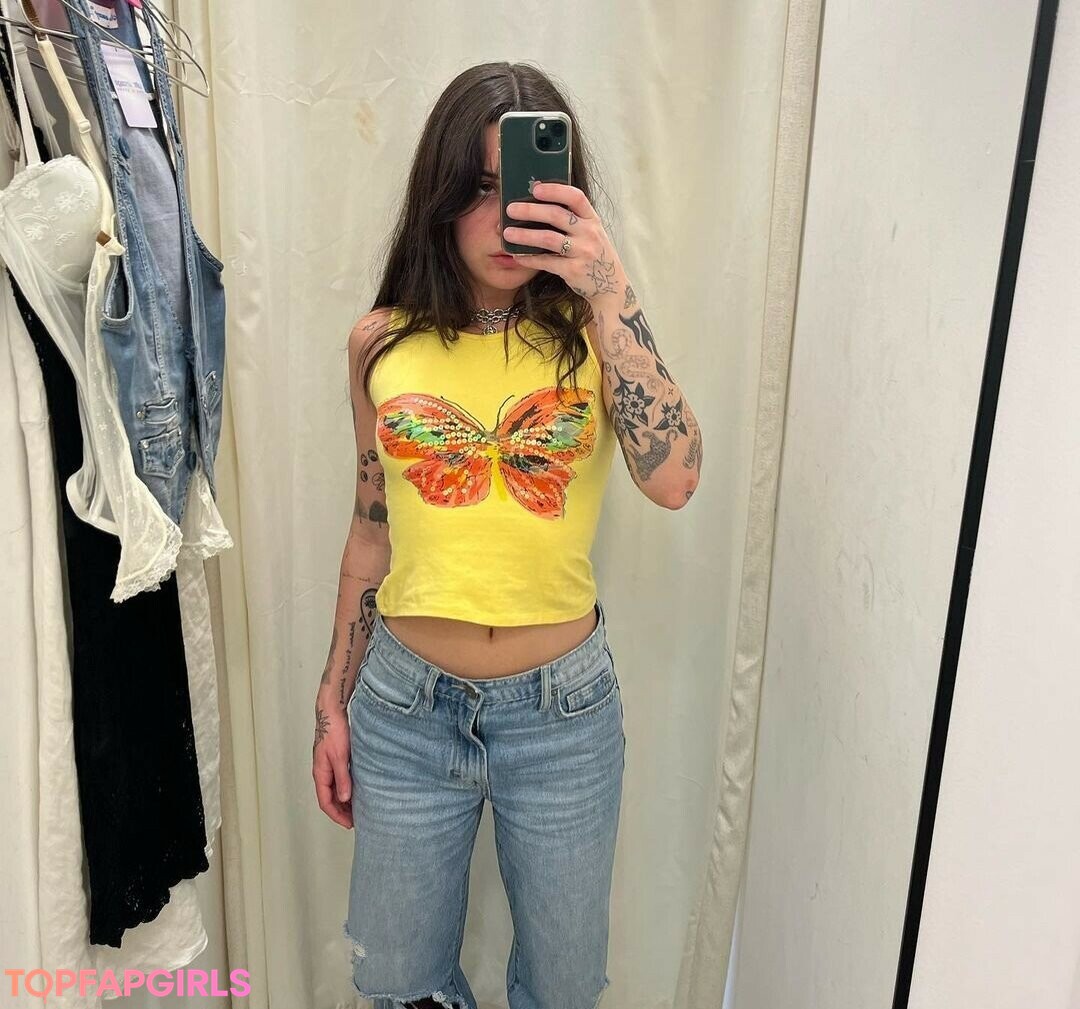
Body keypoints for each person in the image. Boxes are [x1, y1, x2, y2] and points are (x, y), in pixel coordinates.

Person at [312, 61, 702, 1009]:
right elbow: (371, 529)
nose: (502, 217)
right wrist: (333, 695)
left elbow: (676, 480)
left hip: (563, 714)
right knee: (398, 984)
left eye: (524, 187)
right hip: (404, 708)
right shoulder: (379, 342)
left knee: (563, 989)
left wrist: (608, 284)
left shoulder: (592, 335)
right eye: (479, 189)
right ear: (440, 196)